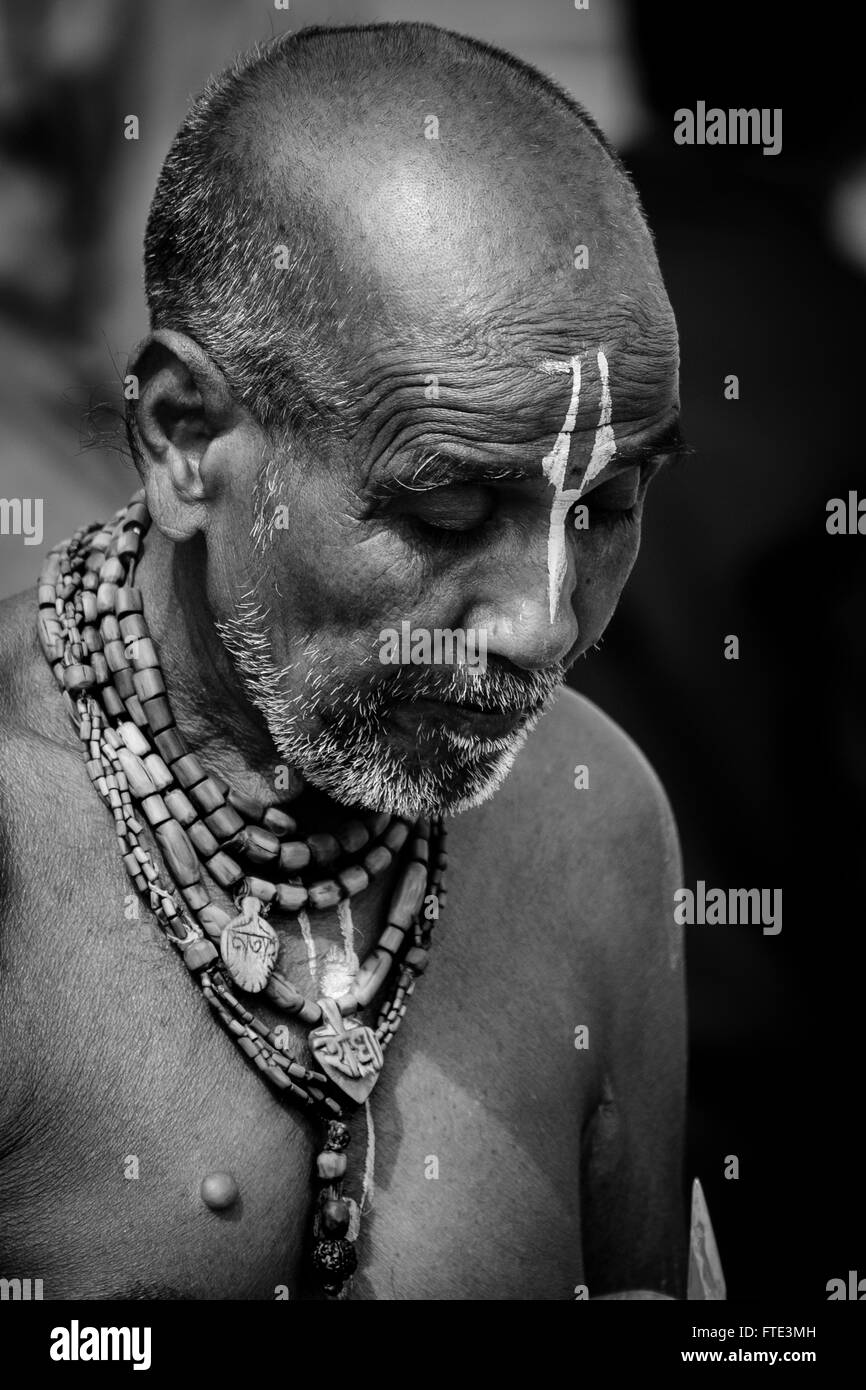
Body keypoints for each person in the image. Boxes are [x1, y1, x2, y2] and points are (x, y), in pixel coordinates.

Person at [0, 22, 686, 1301]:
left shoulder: (591, 821)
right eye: (441, 512)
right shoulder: (15, 855)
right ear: (185, 441)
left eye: (607, 505)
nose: (542, 625)